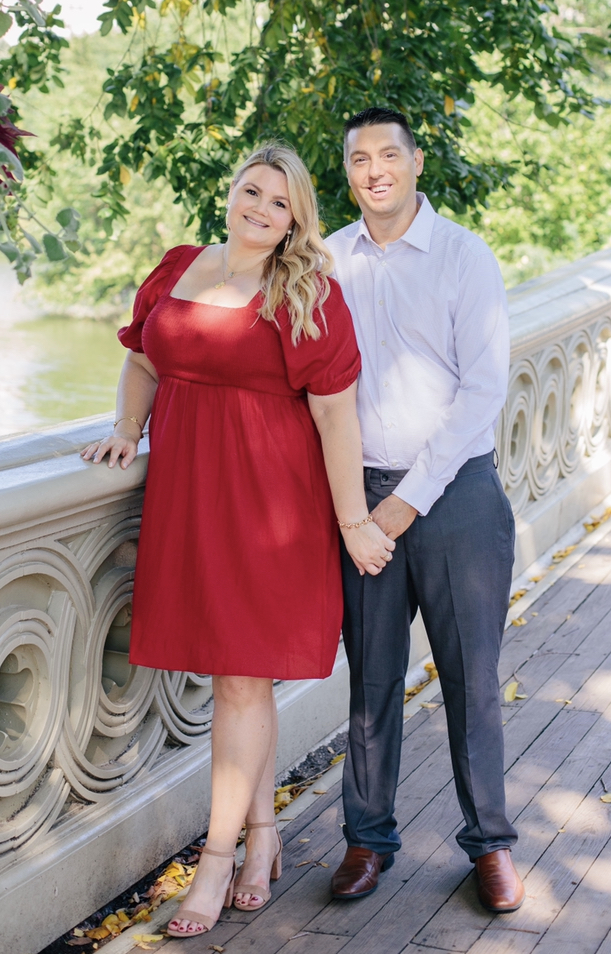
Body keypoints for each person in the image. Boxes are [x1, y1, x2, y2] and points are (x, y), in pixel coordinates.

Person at [81, 143, 395, 939]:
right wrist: (126, 430)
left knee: (240, 685)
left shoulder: (306, 289)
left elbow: (334, 416)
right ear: (231, 191)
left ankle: (216, 861)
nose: (259, 208)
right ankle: (262, 839)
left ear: (296, 218)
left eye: (279, 201)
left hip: (269, 509)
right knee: (237, 681)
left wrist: (353, 519)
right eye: (250, 191)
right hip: (191, 498)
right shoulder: (180, 267)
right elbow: (144, 359)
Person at [324, 107, 525, 913]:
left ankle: (489, 846)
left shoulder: (462, 256)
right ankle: (366, 840)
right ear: (346, 173)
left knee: (471, 681)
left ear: (413, 163)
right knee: (369, 680)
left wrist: (403, 507)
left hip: (455, 497)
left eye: (387, 156)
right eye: (357, 159)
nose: (373, 170)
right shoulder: (327, 258)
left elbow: (481, 392)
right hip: (358, 498)